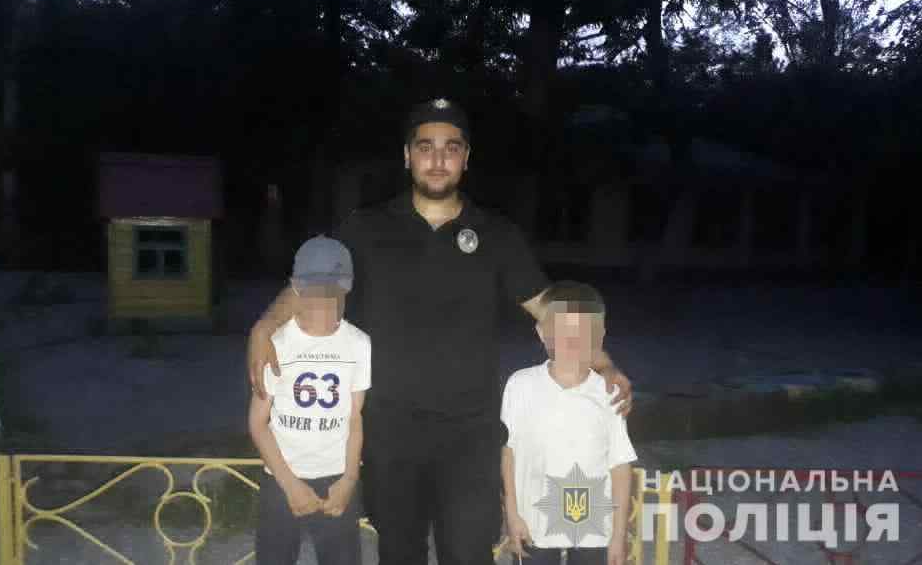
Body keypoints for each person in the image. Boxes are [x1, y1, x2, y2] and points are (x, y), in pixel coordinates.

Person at [247, 98, 633, 565]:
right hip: (391, 432)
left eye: (451, 148)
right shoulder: (366, 228)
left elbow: (551, 310)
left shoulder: (498, 235)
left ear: (466, 158)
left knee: (467, 554)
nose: (437, 159)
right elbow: (310, 285)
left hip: (470, 435)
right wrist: (265, 325)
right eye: (425, 147)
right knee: (400, 553)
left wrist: (604, 363)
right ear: (407, 155)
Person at [248, 235, 370, 565]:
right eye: (315, 290)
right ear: (296, 288)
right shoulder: (276, 344)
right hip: (281, 478)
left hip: (337, 479)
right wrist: (290, 485)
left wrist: (349, 480)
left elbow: (355, 419)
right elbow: (258, 423)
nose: (323, 302)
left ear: (346, 289)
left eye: (332, 291)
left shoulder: (359, 344)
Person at [501, 281, 635, 565]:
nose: (572, 340)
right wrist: (511, 514)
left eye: (584, 332)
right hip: (533, 525)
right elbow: (508, 452)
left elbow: (620, 465)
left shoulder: (608, 393)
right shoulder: (519, 385)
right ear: (542, 333)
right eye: (561, 330)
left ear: (599, 336)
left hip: (593, 530)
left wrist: (618, 535)